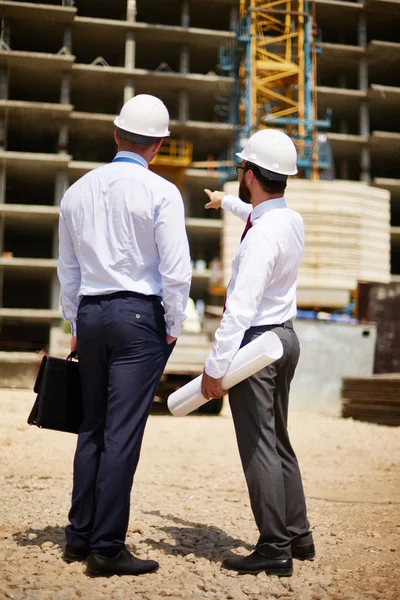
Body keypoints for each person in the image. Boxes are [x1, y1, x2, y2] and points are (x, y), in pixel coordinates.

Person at [57, 94, 192, 577]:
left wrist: (74, 324)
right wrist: (172, 326)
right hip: (140, 318)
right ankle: (108, 548)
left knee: (91, 426)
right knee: (122, 434)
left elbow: (67, 270)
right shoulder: (162, 192)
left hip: (91, 315)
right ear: (158, 145)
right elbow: (177, 272)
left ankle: (79, 536)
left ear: (116, 134)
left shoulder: (76, 191)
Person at [201, 129, 314, 577]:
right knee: (280, 440)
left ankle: (273, 548)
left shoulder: (260, 240)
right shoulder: (289, 221)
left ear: (248, 174)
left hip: (256, 346)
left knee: (259, 447)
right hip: (285, 340)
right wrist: (225, 202)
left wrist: (214, 371)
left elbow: (238, 312)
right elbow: (258, 214)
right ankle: (298, 535)